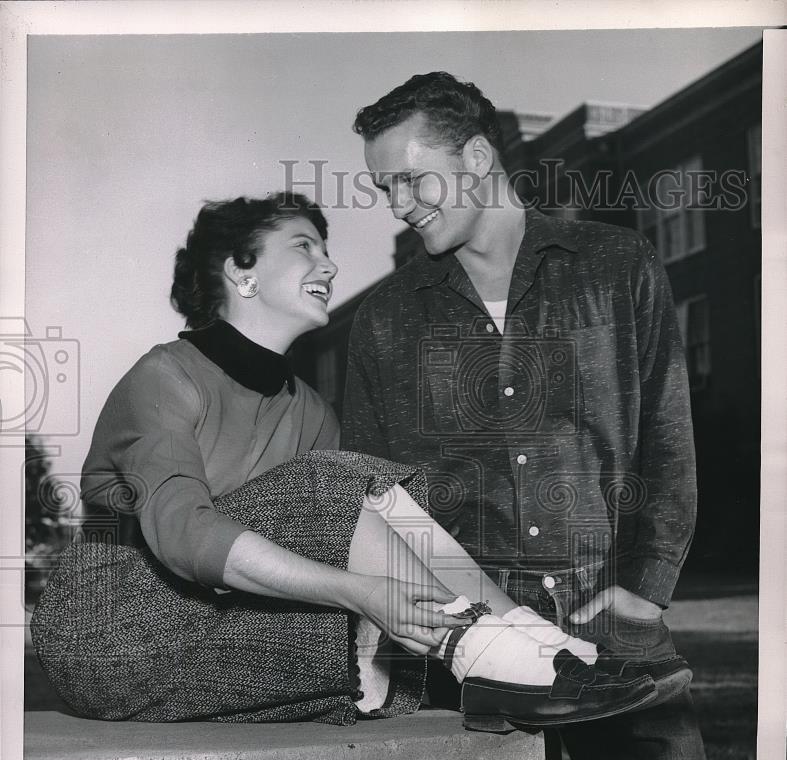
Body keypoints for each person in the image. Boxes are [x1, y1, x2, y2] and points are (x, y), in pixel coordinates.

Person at [342, 73, 725, 760]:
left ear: (477, 158)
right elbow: (376, 496)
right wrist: (418, 634)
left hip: (618, 640)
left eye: (410, 179)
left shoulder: (616, 266)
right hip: (471, 659)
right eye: (382, 187)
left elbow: (667, 448)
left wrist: (641, 590)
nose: (395, 204)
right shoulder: (385, 321)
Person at [31, 193, 663, 730]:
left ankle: (518, 643)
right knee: (342, 491)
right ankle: (489, 652)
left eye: (326, 251)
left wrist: (486, 619)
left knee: (388, 670)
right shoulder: (165, 376)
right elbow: (184, 535)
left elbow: (376, 530)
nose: (329, 265)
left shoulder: (307, 409)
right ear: (241, 274)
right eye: (304, 247)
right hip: (107, 628)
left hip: (212, 630)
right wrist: (360, 591)